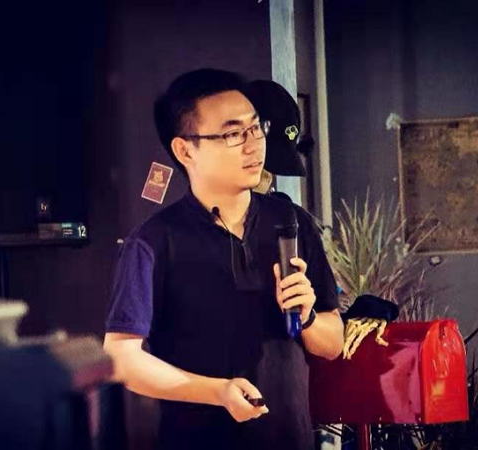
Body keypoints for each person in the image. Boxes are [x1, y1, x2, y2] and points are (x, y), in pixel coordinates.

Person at [103, 68, 344, 449]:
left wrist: (309, 317)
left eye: (256, 128)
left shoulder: (292, 222)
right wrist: (216, 391)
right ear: (185, 150)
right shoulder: (151, 242)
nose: (254, 145)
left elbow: (332, 344)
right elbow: (121, 357)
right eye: (233, 134)